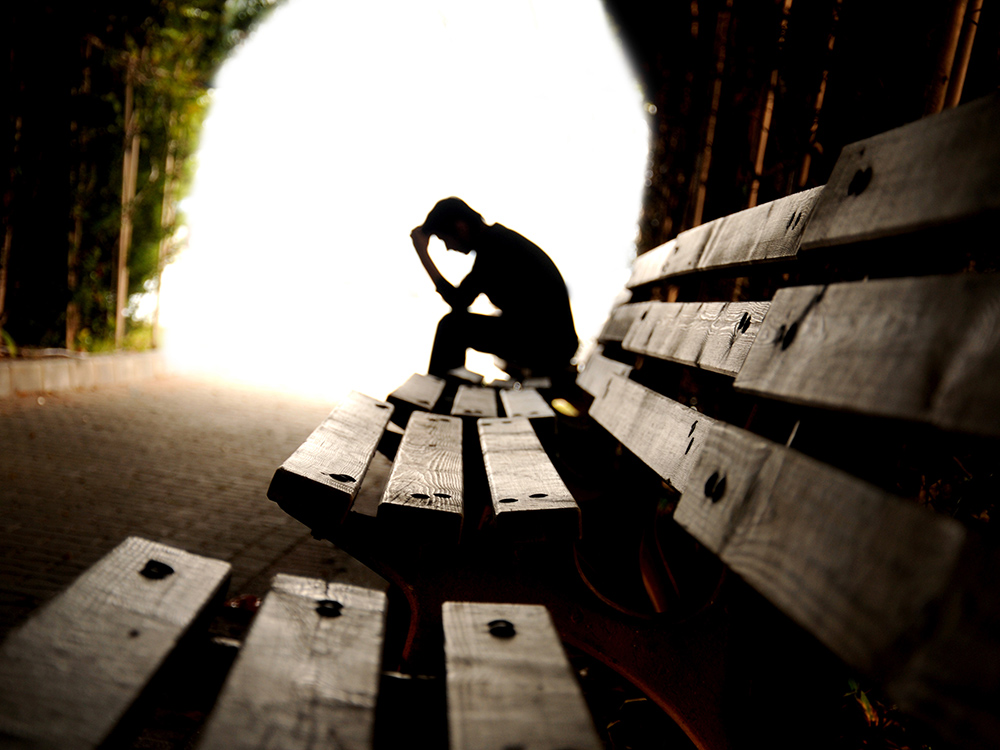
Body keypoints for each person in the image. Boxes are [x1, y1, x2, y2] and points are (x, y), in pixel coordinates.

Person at [411, 197, 578, 381]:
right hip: (551, 342)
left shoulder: (494, 248)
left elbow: (459, 302)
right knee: (454, 326)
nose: (448, 248)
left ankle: (433, 396)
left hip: (550, 347)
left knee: (452, 327)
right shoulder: (495, 242)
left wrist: (423, 255)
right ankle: (442, 390)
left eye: (445, 239)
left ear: (461, 228)